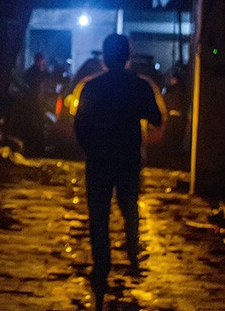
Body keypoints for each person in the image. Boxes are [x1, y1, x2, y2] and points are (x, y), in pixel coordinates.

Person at [73, 34, 163, 310]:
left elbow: (79, 126)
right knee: (129, 208)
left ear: (104, 56)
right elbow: (156, 119)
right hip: (127, 160)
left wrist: (91, 150)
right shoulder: (139, 87)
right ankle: (133, 253)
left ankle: (102, 266)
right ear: (128, 56)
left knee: (99, 216)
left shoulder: (91, 87)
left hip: (99, 161)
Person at [22, 52, 50, 155]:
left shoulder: (41, 71)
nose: (42, 62)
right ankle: (35, 146)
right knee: (35, 124)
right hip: (34, 101)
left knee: (39, 123)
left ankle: (38, 146)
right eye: (41, 60)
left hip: (39, 101)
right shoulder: (33, 72)